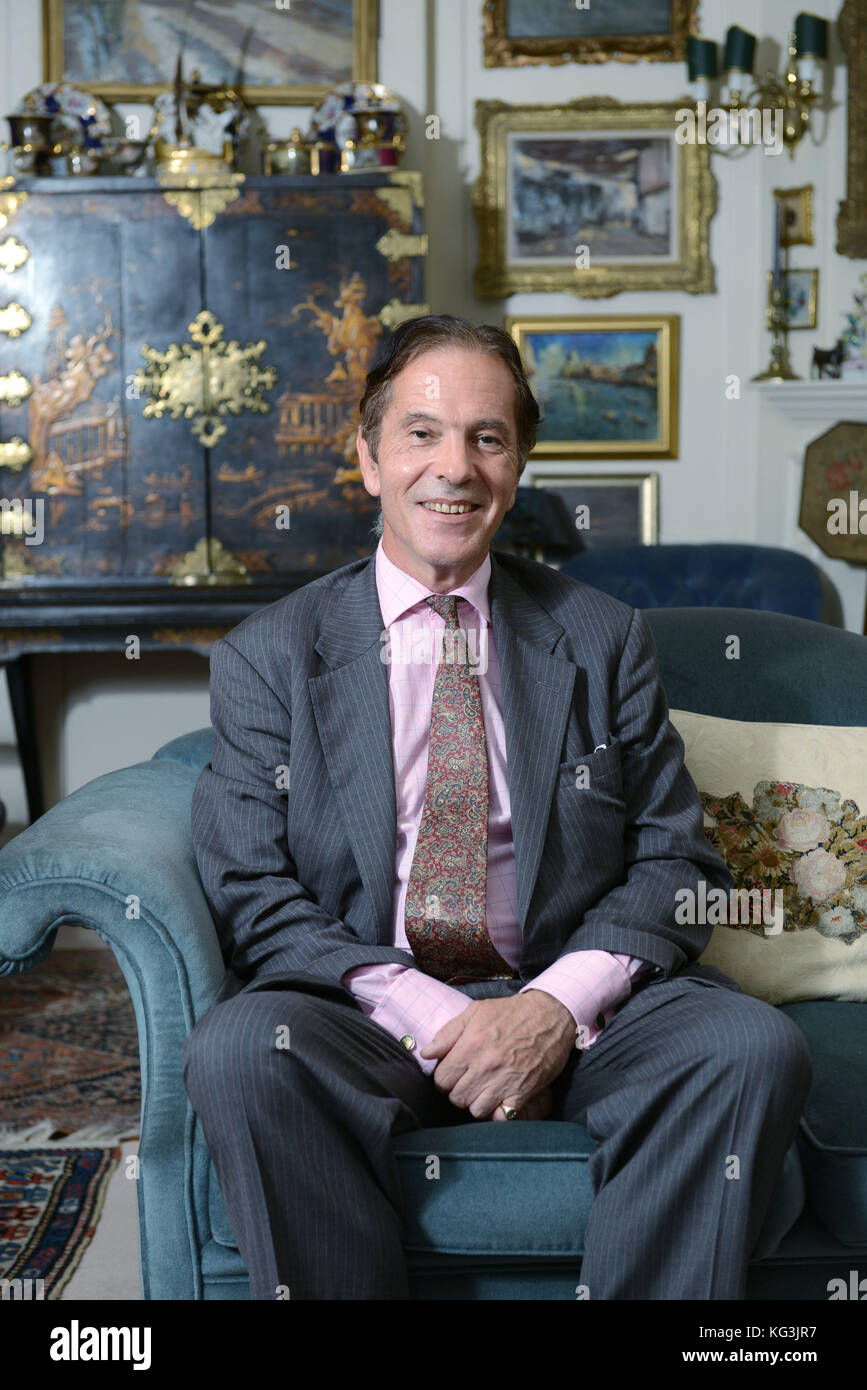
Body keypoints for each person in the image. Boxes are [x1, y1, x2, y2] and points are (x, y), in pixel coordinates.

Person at [182, 314, 812, 1301]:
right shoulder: (272, 653)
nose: (456, 467)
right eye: (422, 433)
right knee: (241, 1052)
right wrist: (432, 1011)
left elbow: (676, 863)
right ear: (369, 459)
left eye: (488, 437)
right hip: (370, 1008)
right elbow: (251, 890)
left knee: (747, 1047)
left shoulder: (601, 637)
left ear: (517, 465)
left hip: (568, 991)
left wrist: (551, 1009)